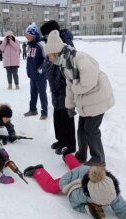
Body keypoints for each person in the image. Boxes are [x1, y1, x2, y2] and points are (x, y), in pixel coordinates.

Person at [44, 30, 115, 166]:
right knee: (81, 129)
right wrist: (69, 106)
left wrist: (75, 89)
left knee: (91, 129)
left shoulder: (79, 58)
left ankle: (98, 159)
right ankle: (81, 155)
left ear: (54, 52)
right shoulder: (64, 64)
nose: (48, 58)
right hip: (87, 102)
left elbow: (87, 82)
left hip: (98, 98)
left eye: (48, 55)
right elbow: (69, 86)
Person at [40, 20, 76, 156]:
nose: (44, 38)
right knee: (57, 116)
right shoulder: (50, 44)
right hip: (55, 87)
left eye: (45, 36)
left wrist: (59, 81)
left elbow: (68, 68)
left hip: (64, 88)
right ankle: (61, 140)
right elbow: (48, 62)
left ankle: (70, 145)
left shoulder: (66, 45)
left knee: (66, 117)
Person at [24, 23, 48, 120]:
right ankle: (33, 110)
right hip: (32, 74)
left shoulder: (41, 44)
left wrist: (42, 68)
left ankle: (44, 112)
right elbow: (30, 59)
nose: (26, 36)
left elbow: (47, 59)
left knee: (42, 94)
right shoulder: (29, 45)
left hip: (40, 75)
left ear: (33, 34)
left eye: (27, 34)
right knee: (33, 93)